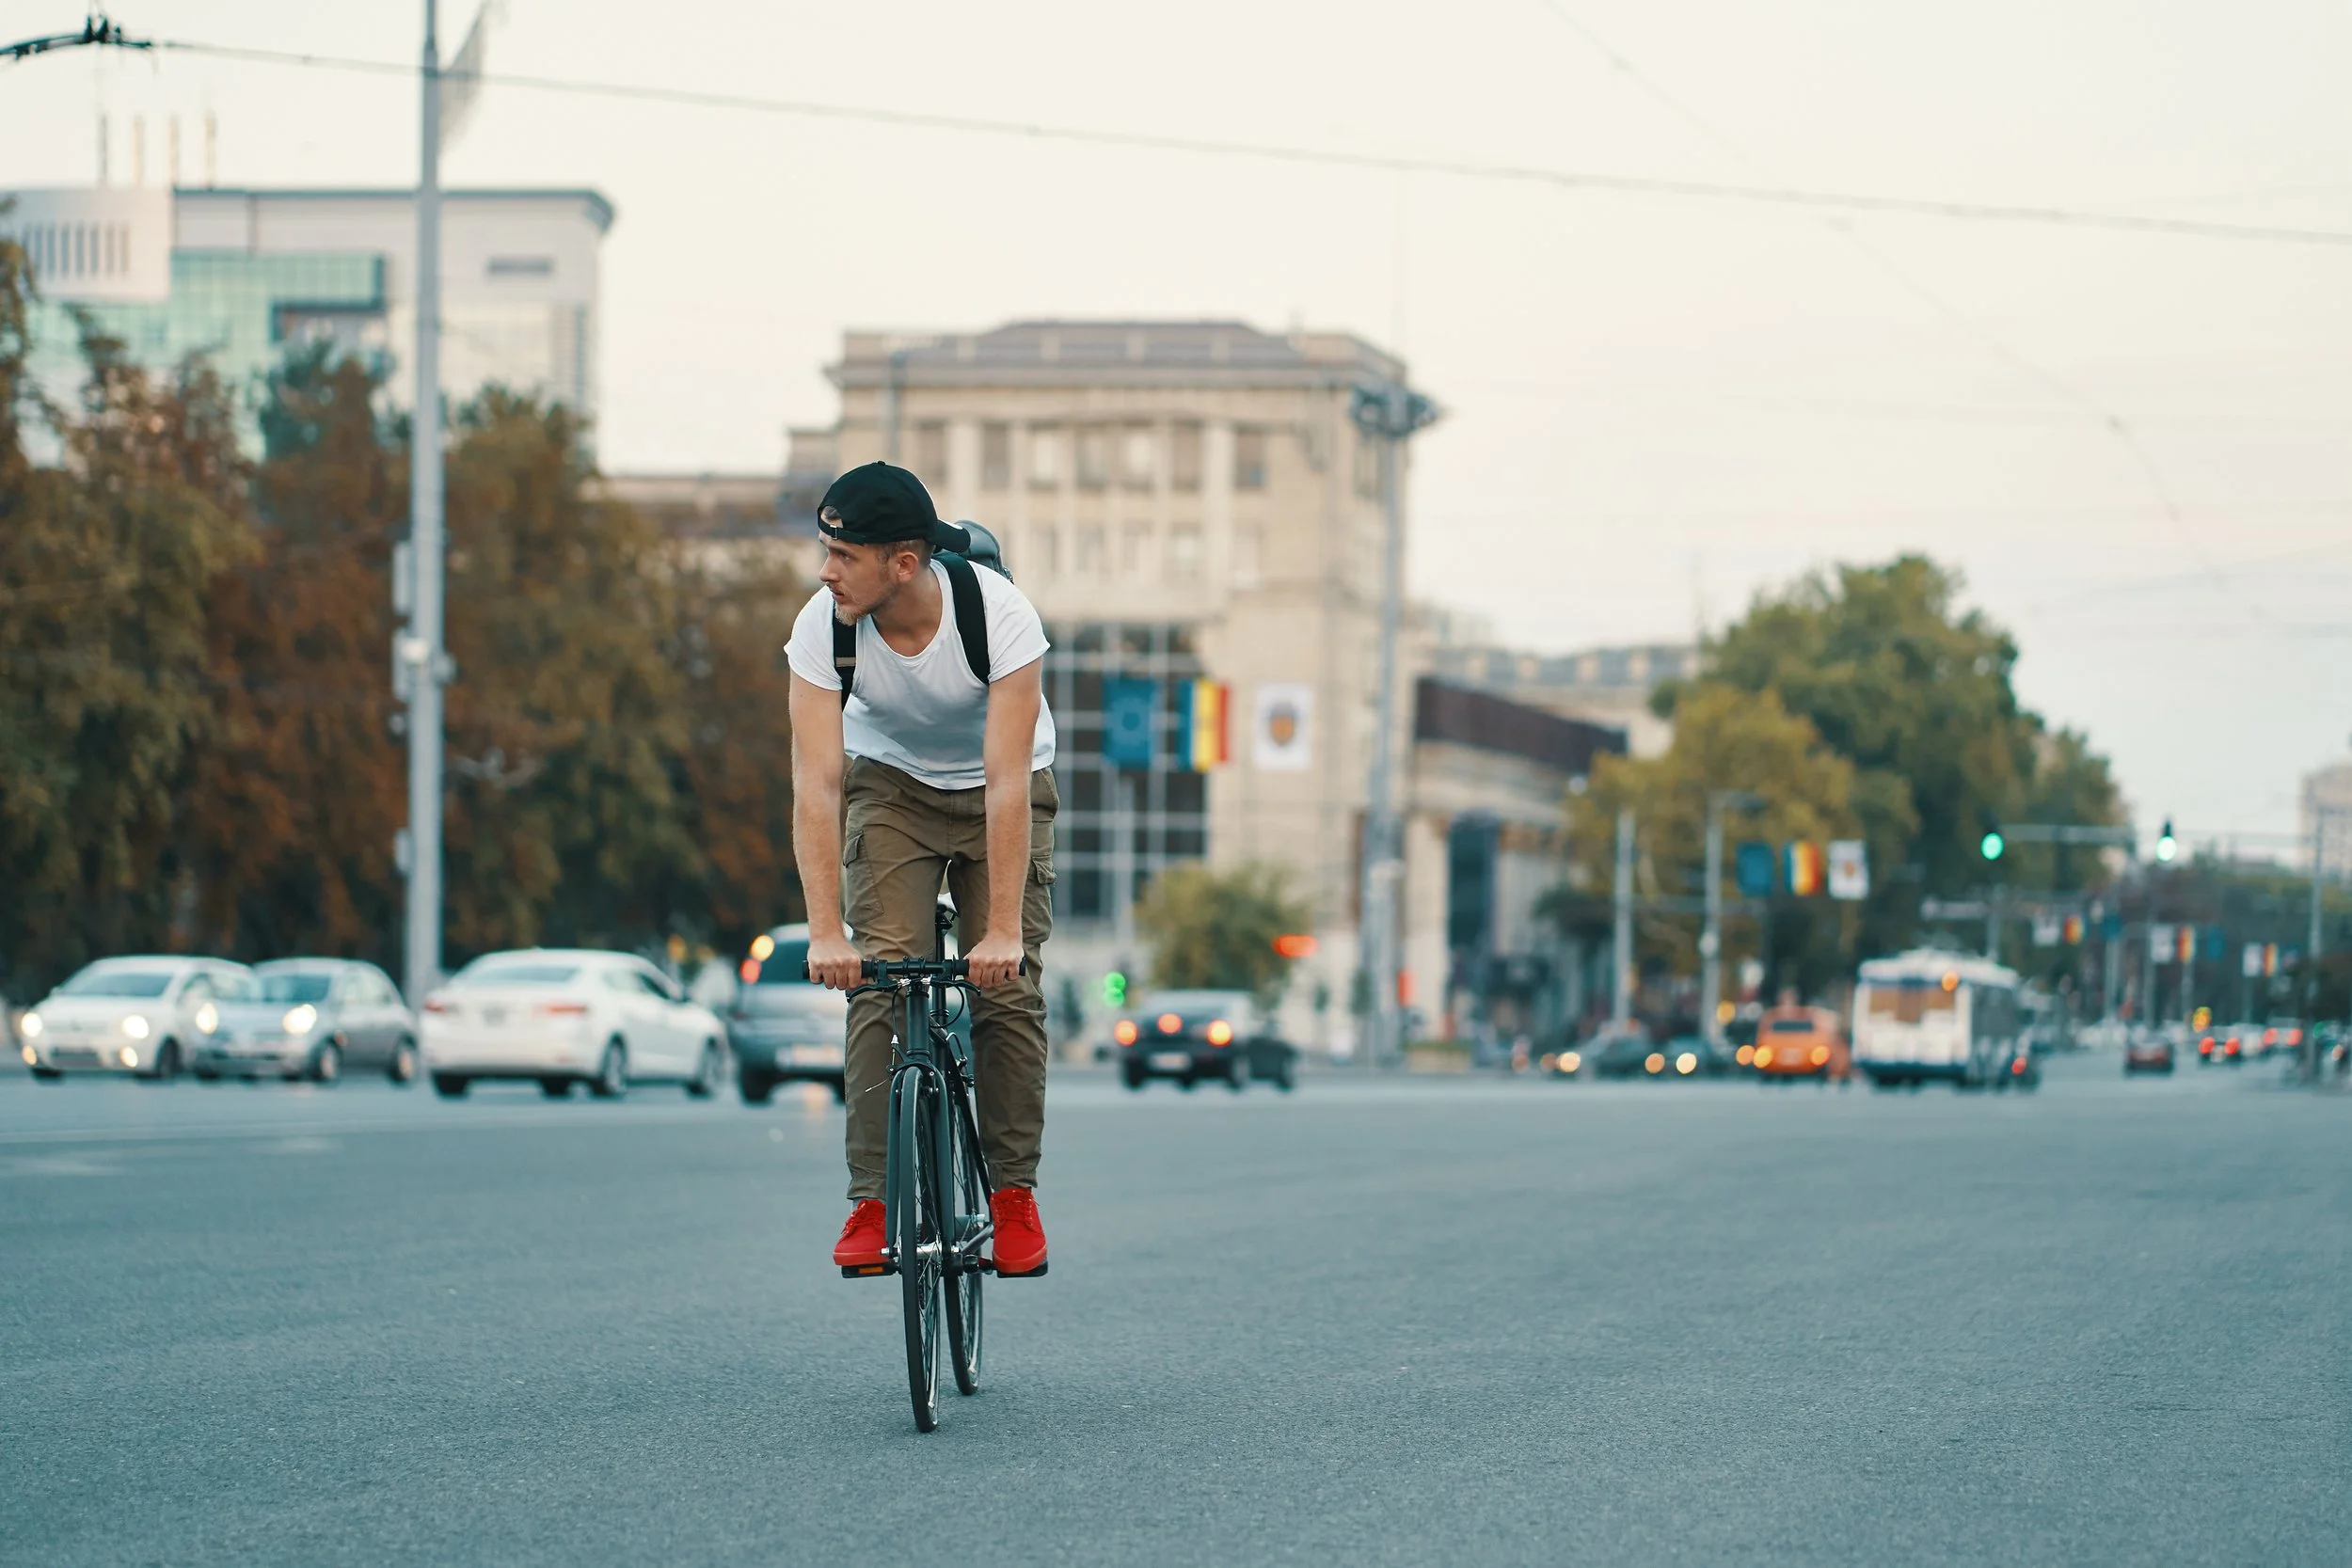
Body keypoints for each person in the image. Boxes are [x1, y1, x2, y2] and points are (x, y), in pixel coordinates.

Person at [785, 461, 1058, 1277]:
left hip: (998, 793)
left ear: (903, 563)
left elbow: (1007, 780)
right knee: (877, 980)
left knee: (1005, 990)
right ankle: (871, 1200)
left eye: (843, 553)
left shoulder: (999, 616)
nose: (825, 569)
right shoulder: (821, 628)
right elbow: (817, 784)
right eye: (824, 548)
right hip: (892, 789)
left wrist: (1003, 928)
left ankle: (1013, 1194)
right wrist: (827, 931)